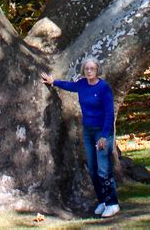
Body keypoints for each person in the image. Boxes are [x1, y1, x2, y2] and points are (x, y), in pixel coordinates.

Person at [40, 57, 120, 218]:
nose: (89, 71)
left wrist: (104, 136)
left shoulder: (104, 88)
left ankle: (113, 203)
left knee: (103, 169)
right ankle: (103, 201)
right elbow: (69, 86)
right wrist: (53, 81)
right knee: (92, 169)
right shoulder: (82, 84)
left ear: (97, 69)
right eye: (86, 68)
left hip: (103, 132)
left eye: (92, 68)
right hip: (88, 131)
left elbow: (110, 114)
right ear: (83, 70)